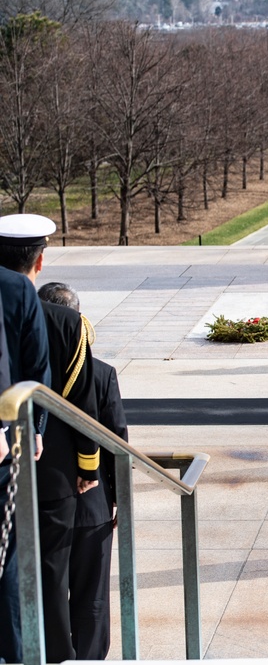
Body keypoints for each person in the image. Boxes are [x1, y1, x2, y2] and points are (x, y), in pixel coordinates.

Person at [0, 213, 100, 663]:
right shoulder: (56, 314)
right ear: (40, 259)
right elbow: (61, 392)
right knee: (34, 565)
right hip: (38, 462)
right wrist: (86, 465)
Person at [38, 282, 125, 661]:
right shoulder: (101, 372)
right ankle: (89, 659)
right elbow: (116, 441)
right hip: (90, 504)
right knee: (91, 594)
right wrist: (118, 498)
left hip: (40, 499)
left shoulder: (22, 377)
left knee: (47, 589)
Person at [0, 221, 51, 665]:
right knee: (11, 564)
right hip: (7, 445)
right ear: (39, 260)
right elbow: (37, 372)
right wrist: (35, 431)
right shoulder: (20, 291)